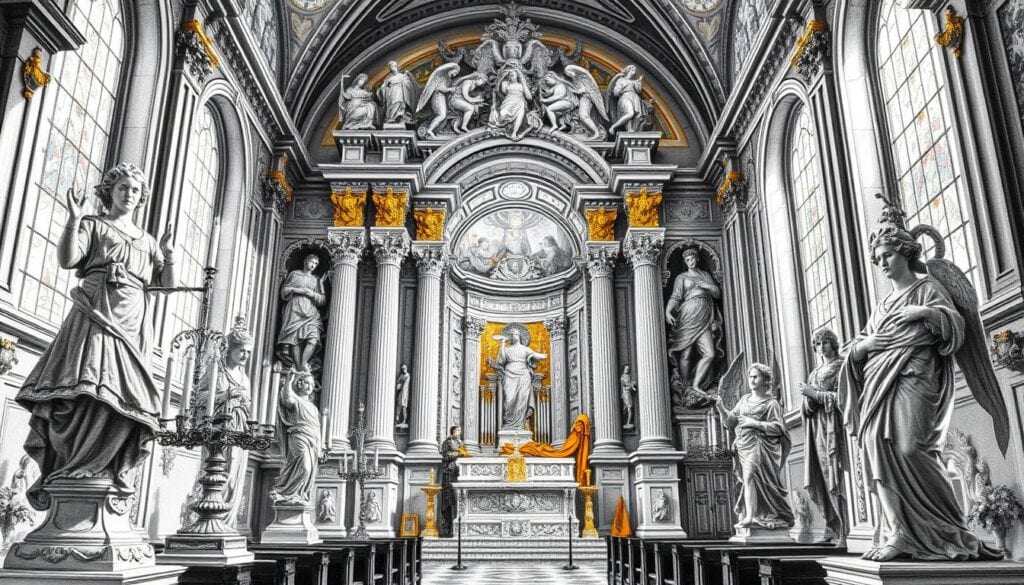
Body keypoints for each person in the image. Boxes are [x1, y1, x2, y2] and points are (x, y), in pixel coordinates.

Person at [841, 196, 1007, 561]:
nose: (882, 263)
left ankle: (949, 529)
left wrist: (925, 312)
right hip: (879, 385)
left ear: (905, 252)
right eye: (878, 258)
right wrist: (863, 345)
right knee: (875, 447)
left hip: (917, 378)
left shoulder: (929, 289)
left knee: (911, 448)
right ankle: (899, 532)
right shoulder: (882, 305)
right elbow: (856, 349)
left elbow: (957, 327)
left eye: (887, 255)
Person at [17, 163, 175, 510]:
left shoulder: (148, 241)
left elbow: (163, 287)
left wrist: (168, 256)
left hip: (134, 321)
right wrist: (74, 219)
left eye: (135, 190)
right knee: (88, 385)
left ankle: (108, 464)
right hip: (96, 311)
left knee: (125, 395)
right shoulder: (94, 225)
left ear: (142, 196)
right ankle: (77, 464)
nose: (129, 194)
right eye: (123, 188)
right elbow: (68, 258)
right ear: (110, 191)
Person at [191, 316, 254, 526]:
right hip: (217, 428)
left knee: (234, 476)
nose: (245, 355)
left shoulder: (245, 378)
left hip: (239, 430)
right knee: (218, 470)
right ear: (231, 350)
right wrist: (226, 396)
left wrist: (243, 403)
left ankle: (225, 521)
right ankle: (209, 518)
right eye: (241, 350)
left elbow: (247, 404)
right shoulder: (217, 371)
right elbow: (200, 397)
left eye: (248, 352)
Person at [715, 363, 793, 531]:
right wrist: (721, 409)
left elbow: (779, 428)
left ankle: (751, 516)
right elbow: (730, 422)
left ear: (766, 380)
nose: (751, 379)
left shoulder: (771, 404)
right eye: (750, 376)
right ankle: (752, 514)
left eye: (755, 376)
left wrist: (755, 423)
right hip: (743, 445)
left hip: (760, 445)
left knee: (751, 475)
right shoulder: (744, 400)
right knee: (748, 479)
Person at [798, 328, 848, 545]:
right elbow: (808, 405)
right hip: (817, 427)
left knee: (834, 475)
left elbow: (847, 397)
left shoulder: (843, 366)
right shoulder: (815, 372)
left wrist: (815, 394)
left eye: (825, 342)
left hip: (834, 425)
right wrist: (808, 399)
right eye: (818, 344)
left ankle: (845, 529)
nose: (821, 347)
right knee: (821, 476)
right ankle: (832, 525)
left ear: (833, 343)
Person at [666, 248, 723, 397]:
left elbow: (717, 293)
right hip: (687, 316)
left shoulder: (705, 275)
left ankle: (696, 385)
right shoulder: (682, 277)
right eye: (687, 260)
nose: (690, 262)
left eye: (692, 259)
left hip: (704, 317)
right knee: (685, 353)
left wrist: (707, 286)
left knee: (709, 353)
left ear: (697, 259)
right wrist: (667, 311)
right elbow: (675, 297)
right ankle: (686, 387)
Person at [271, 371, 322, 506]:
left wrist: (321, 446)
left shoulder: (313, 407)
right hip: (299, 436)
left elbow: (317, 428)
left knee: (310, 470)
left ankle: (299, 495)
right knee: (304, 467)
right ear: (299, 383)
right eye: (307, 383)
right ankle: (287, 492)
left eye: (312, 384)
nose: (310, 386)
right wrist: (289, 380)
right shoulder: (295, 400)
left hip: (313, 440)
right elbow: (287, 398)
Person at [278, 254, 325, 372]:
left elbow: (322, 300)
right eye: (312, 262)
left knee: (313, 339)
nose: (313, 265)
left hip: (310, 313)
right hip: (294, 310)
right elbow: (284, 291)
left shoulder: (317, 280)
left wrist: (312, 294)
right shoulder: (295, 274)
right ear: (305, 261)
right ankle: (299, 367)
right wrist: (296, 290)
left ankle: (302, 365)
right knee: (295, 340)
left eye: (316, 264)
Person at [495, 324, 547, 431]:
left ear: (519, 336)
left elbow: (537, 355)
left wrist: (542, 355)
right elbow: (500, 361)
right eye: (510, 334)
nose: (512, 336)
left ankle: (520, 424)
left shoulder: (525, 349)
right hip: (509, 374)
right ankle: (509, 424)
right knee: (509, 399)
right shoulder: (507, 349)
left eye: (514, 334)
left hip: (523, 375)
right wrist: (502, 345)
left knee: (522, 399)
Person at [439, 425, 467, 536]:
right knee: (448, 500)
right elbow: (445, 455)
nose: (460, 432)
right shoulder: (448, 442)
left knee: (458, 499)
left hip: (459, 472)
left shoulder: (461, 442)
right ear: (453, 431)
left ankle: (458, 527)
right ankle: (448, 528)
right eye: (458, 430)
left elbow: (464, 453)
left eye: (460, 430)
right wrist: (458, 454)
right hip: (449, 472)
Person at [378, 60, 417, 126]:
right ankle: (392, 117)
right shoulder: (389, 78)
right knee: (394, 103)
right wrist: (384, 88)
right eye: (391, 66)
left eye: (394, 65)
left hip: (402, 92)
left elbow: (409, 86)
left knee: (400, 102)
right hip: (392, 92)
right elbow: (383, 88)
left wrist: (407, 83)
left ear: (397, 66)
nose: (392, 67)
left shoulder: (403, 76)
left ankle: (401, 117)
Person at [620, 365, 637, 430]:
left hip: (628, 393)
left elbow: (630, 384)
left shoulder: (629, 376)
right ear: (624, 369)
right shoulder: (623, 377)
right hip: (625, 393)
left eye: (628, 368)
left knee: (629, 407)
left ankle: (628, 422)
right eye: (626, 368)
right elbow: (624, 386)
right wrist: (631, 387)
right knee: (628, 407)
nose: (627, 369)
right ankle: (626, 423)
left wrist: (632, 386)